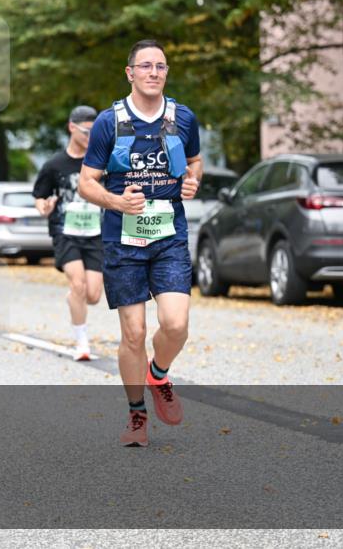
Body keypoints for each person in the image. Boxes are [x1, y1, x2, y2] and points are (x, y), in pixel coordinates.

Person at [77, 39, 202, 447]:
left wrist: (192, 180)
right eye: (145, 66)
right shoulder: (108, 122)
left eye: (160, 66)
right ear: (130, 73)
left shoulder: (183, 118)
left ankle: (158, 374)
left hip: (168, 235)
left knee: (176, 324)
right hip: (122, 240)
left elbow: (195, 162)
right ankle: (136, 414)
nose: (154, 72)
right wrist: (117, 202)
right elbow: (86, 182)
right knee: (133, 333)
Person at [32, 105, 104, 360]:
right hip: (65, 232)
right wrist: (44, 207)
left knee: (93, 295)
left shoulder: (102, 161)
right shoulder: (54, 164)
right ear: (72, 128)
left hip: (96, 233)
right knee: (78, 284)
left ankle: (75, 297)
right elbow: (40, 197)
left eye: (95, 132)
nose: (90, 137)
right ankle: (82, 343)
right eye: (86, 131)